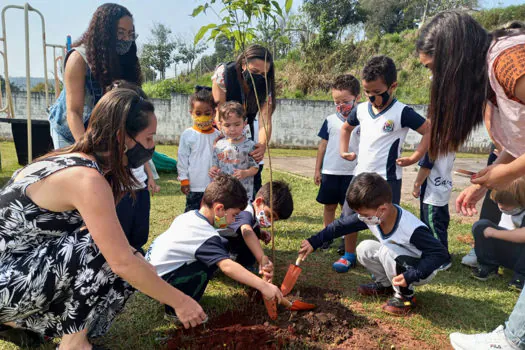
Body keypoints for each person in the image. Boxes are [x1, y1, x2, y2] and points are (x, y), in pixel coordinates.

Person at [0, 89, 207, 350]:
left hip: (16, 268)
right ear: (122, 137)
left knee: (132, 257)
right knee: (111, 254)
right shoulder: (86, 178)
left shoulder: (72, 160)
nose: (152, 146)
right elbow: (119, 261)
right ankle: (73, 344)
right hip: (7, 278)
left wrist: (139, 264)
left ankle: (18, 326)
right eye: (148, 138)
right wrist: (181, 301)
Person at [416, 14, 525, 349]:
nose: (434, 78)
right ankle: (513, 338)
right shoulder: (491, 77)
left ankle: (511, 341)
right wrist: (484, 183)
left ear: (455, 57)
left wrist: (505, 174)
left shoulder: (509, 62)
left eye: (434, 68)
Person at [299, 173, 449, 316]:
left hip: (421, 270)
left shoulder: (411, 228)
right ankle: (385, 285)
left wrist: (412, 275)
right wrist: (314, 241)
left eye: (364, 215)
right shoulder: (374, 216)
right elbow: (341, 226)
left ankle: (406, 296)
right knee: (364, 248)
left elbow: (440, 254)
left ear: (382, 209)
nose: (361, 218)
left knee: (386, 251)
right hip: (398, 259)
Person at [334, 55, 431, 273]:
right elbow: (346, 128)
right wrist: (343, 150)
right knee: (350, 216)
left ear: (393, 86)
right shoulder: (360, 110)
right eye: (367, 92)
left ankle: (392, 258)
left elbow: (428, 130)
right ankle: (349, 255)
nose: (371, 97)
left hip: (387, 179)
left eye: (376, 93)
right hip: (360, 176)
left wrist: (415, 157)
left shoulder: (402, 112)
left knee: (387, 221)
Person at [146, 174, 283, 322]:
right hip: (156, 282)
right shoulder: (205, 235)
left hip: (149, 273)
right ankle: (174, 309)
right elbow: (227, 267)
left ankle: (172, 294)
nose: (234, 220)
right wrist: (263, 286)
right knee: (207, 264)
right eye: (234, 215)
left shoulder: (190, 216)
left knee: (220, 248)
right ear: (219, 208)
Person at [48, 3, 142, 148]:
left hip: (99, 132)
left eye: (130, 34)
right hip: (69, 129)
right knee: (78, 168)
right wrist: (86, 150)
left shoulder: (126, 60)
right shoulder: (78, 59)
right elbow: (73, 112)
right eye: (120, 33)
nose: (126, 39)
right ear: (105, 33)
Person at [212, 44, 276, 197]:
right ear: (243, 64)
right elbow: (219, 110)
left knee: (252, 182)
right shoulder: (225, 73)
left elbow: (265, 119)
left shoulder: (266, 85)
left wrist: (261, 145)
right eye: (254, 71)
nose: (258, 76)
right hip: (224, 133)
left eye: (263, 73)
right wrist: (230, 136)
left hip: (248, 132)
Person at [109, 80, 160, 254]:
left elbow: (143, 158)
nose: (151, 145)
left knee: (139, 231)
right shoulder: (98, 173)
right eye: (148, 138)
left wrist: (150, 178)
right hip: (124, 192)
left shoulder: (135, 152)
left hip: (140, 187)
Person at [314, 74, 360, 251]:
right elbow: (322, 146)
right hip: (330, 171)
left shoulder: (362, 119)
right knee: (329, 206)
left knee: (348, 209)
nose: (341, 106)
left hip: (352, 173)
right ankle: (327, 235)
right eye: (336, 102)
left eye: (345, 101)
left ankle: (345, 239)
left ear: (357, 97)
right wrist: (318, 170)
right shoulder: (330, 120)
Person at [222, 181, 294, 279]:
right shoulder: (246, 210)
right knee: (251, 237)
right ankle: (233, 258)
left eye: (274, 219)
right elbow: (247, 232)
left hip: (232, 237)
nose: (270, 221)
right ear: (259, 202)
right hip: (220, 240)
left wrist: (260, 233)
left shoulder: (253, 211)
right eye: (269, 215)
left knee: (254, 233)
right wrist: (262, 259)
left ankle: (244, 262)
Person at [469, 176, 525, 291]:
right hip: (508, 250)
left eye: (507, 204)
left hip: (521, 254)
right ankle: (487, 266)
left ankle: (520, 277)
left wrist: (494, 233)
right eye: (499, 202)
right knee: (480, 226)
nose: (501, 206)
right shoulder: (501, 206)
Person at [177, 87, 221, 212]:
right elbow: (182, 159)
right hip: (194, 186)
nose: (203, 117)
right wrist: (184, 180)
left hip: (214, 186)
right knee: (192, 216)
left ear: (214, 113)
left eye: (207, 114)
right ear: (191, 113)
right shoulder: (187, 134)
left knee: (212, 216)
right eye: (198, 113)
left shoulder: (218, 136)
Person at [412, 151, 456, 270]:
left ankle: (441, 259)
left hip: (432, 194)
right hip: (443, 189)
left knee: (433, 227)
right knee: (440, 225)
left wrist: (416, 185)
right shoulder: (450, 145)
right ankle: (438, 252)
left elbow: (425, 169)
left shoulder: (433, 146)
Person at [209, 102, 259, 199]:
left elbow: (255, 168)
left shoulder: (250, 145)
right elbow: (215, 164)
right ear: (220, 125)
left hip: (243, 193)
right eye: (227, 125)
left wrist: (245, 173)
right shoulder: (219, 145)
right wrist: (213, 170)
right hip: (223, 192)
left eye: (237, 124)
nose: (232, 129)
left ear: (244, 123)